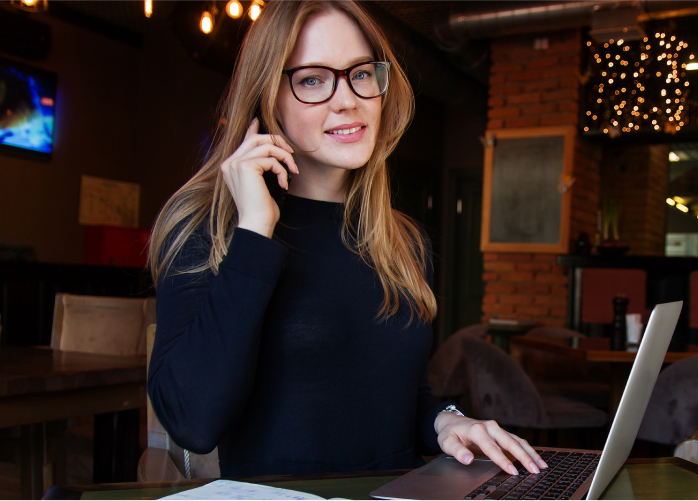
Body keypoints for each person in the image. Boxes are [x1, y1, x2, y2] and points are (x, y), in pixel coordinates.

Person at [146, 0, 548, 478]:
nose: (348, 99)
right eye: (313, 79)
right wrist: (254, 229)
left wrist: (444, 422)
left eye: (360, 74)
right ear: (267, 95)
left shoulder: (404, 240)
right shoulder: (205, 228)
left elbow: (401, 400)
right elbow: (193, 421)